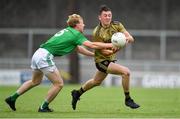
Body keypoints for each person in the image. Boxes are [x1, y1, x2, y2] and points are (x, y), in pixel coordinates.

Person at [5, 14, 115, 112]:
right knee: (59, 84)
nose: (84, 25)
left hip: (38, 54)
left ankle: (12, 98)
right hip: (45, 56)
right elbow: (91, 45)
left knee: (35, 81)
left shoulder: (68, 31)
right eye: (82, 23)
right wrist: (111, 45)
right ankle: (43, 107)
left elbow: (78, 49)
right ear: (77, 24)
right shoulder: (76, 34)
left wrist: (94, 55)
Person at [71, 5, 140, 110]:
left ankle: (77, 93)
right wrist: (116, 48)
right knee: (126, 72)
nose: (108, 17)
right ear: (100, 17)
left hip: (110, 59)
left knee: (96, 82)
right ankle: (128, 99)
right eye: (105, 15)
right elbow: (104, 52)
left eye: (109, 15)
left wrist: (124, 42)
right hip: (101, 60)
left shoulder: (117, 25)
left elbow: (131, 38)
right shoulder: (97, 32)